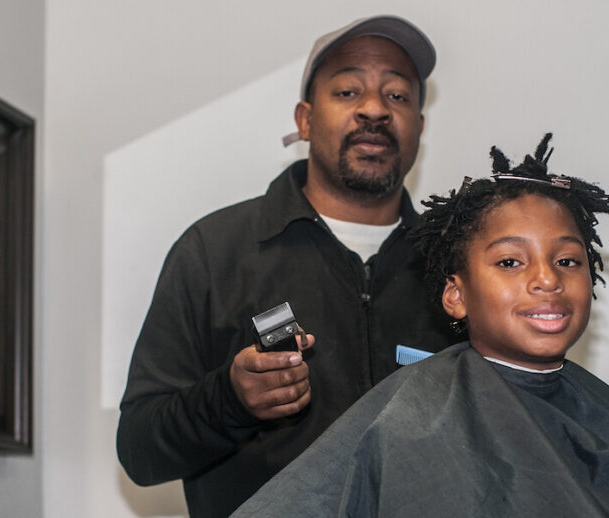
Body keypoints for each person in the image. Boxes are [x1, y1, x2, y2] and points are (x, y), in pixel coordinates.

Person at [232, 134, 609, 517]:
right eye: (511, 262)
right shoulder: (411, 421)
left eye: (569, 261)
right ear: (457, 295)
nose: (547, 279)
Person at [116, 15, 453, 517]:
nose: (374, 110)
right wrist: (230, 400)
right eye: (347, 91)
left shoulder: (456, 266)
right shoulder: (215, 251)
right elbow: (140, 451)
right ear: (305, 119)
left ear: (419, 128)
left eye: (397, 96)